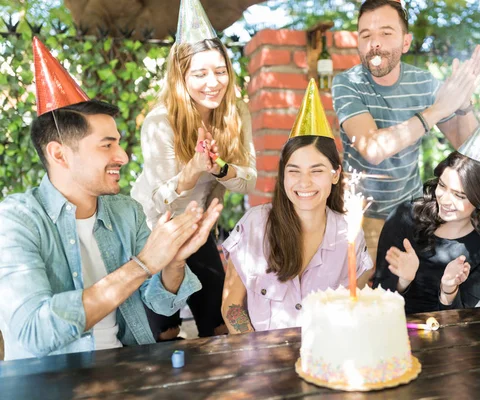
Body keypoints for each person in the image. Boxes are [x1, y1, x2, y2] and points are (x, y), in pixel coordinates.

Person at [0, 38, 222, 361]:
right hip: (50, 384)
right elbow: (35, 331)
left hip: (125, 371)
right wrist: (144, 263)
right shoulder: (16, 219)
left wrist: (172, 261)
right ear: (59, 154)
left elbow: (161, 302)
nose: (123, 156)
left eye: (118, 142)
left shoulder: (125, 212)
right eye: (107, 146)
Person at [131, 0, 256, 339]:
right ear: (181, 77)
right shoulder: (160, 122)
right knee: (165, 330)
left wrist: (218, 168)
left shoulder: (235, 113)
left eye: (220, 71)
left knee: (217, 325)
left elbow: (248, 183)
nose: (212, 82)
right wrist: (191, 171)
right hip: (155, 229)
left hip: (198, 229)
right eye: (200, 74)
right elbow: (158, 202)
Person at [332, 0, 480, 263]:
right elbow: (372, 149)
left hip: (410, 216)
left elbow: (468, 148)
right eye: (366, 35)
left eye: (386, 33)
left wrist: (463, 105)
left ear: (405, 42)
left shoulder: (424, 83)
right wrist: (435, 111)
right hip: (359, 219)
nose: (374, 43)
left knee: (406, 300)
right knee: (361, 301)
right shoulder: (347, 83)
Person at [221, 80, 373, 333]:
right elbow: (231, 305)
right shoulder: (255, 224)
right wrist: (258, 354)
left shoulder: (350, 234)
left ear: (335, 175)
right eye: (294, 171)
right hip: (264, 362)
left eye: (317, 171)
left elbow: (353, 306)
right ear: (283, 175)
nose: (304, 183)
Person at [372, 98, 480, 313]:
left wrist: (448, 291)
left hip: (445, 339)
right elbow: (378, 299)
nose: (445, 199)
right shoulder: (404, 217)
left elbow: (461, 318)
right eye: (442, 185)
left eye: (459, 195)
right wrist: (403, 281)